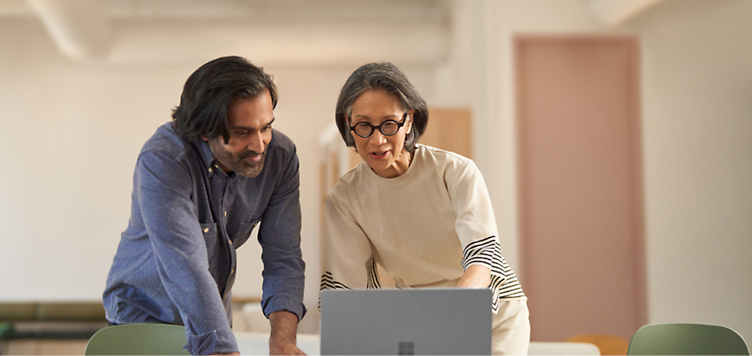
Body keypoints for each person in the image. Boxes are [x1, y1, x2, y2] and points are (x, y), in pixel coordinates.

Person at [320, 62, 530, 355]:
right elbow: (348, 289)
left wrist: (448, 316)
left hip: (491, 314)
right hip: (418, 317)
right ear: (348, 124)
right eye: (364, 125)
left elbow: (482, 258)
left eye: (389, 123)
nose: (377, 139)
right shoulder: (345, 198)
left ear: (409, 120)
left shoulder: (455, 172)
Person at [103, 56, 307, 355]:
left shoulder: (281, 157)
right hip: (143, 319)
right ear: (203, 130)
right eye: (242, 133)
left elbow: (284, 257)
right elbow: (187, 266)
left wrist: (283, 341)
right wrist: (222, 348)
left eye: (266, 127)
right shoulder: (163, 159)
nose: (260, 144)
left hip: (213, 323)